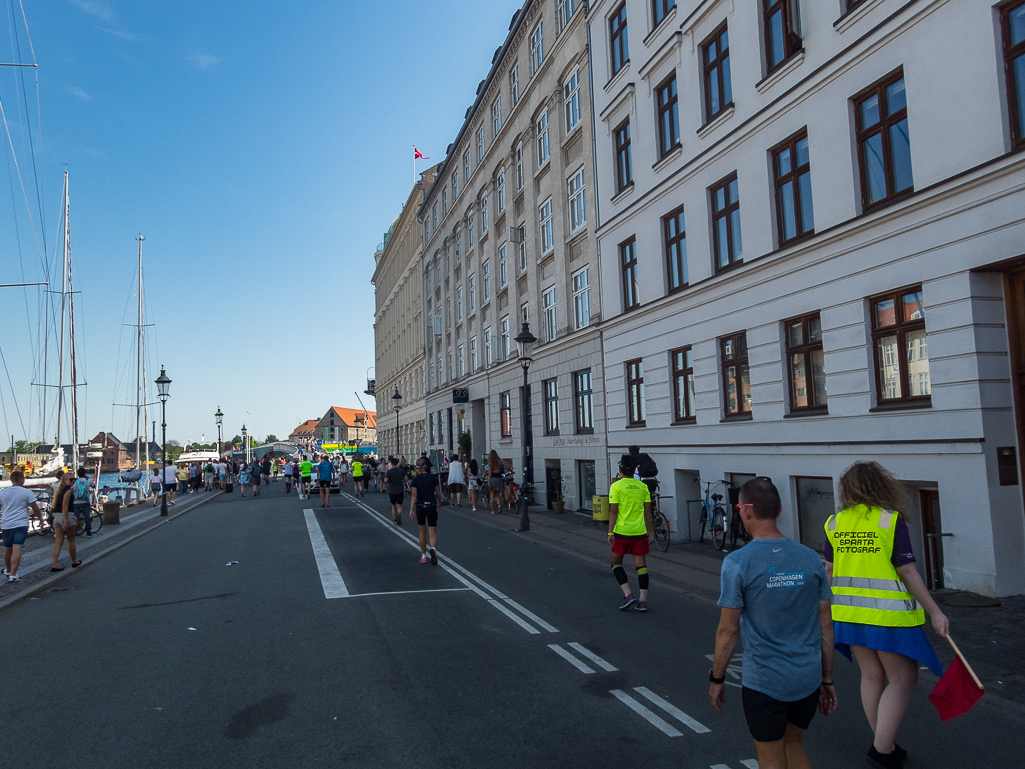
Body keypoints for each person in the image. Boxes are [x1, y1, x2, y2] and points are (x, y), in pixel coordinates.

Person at [824, 462, 949, 769]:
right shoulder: (889, 521)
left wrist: (825, 614)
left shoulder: (834, 523)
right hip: (887, 617)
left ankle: (886, 743)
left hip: (849, 614)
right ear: (882, 486)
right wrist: (935, 611)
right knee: (903, 678)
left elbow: (828, 570)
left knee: (871, 676)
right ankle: (882, 750)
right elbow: (907, 571)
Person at [710, 477, 836, 769]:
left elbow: (728, 631)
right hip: (807, 677)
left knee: (769, 755)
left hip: (765, 682)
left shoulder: (738, 563)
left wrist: (717, 678)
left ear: (745, 511)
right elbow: (826, 627)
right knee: (794, 743)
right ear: (779, 510)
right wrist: (827, 679)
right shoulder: (810, 558)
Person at [607, 453, 653, 611]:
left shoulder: (616, 487)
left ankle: (628, 595)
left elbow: (613, 511)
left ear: (620, 470)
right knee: (641, 566)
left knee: (615, 563)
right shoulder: (643, 487)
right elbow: (648, 512)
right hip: (639, 532)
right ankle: (643, 601)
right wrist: (651, 531)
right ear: (634, 470)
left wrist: (610, 533)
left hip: (622, 532)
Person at [0, 470, 41, 583]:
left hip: (6, 524)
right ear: (21, 479)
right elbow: (35, 508)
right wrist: (41, 519)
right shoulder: (27, 492)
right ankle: (13, 574)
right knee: (17, 547)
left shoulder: (3, 492)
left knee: (7, 549)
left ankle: (8, 570)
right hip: (21, 524)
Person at [408, 458, 442, 564]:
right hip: (431, 505)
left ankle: (423, 556)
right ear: (426, 467)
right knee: (432, 531)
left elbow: (414, 496)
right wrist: (439, 502)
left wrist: (411, 509)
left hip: (420, 506)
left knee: (422, 531)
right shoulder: (432, 477)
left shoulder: (415, 480)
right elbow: (438, 492)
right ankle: (433, 549)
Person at [51, 472, 82, 571]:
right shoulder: (68, 491)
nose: (73, 481)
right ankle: (74, 561)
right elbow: (65, 507)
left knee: (58, 542)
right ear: (64, 481)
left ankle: (54, 564)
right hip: (66, 516)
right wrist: (66, 521)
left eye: (74, 479)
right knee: (71, 540)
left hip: (57, 517)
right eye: (71, 479)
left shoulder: (59, 491)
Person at [71, 466, 94, 537]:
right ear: (84, 473)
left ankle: (73, 531)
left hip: (76, 502)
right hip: (85, 501)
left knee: (75, 517)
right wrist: (89, 479)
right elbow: (94, 486)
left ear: (78, 474)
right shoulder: (88, 481)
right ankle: (88, 532)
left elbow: (71, 490)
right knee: (87, 517)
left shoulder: (75, 481)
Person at [385, 456, 406, 525]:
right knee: (399, 505)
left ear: (391, 463)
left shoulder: (389, 472)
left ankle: (395, 520)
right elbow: (406, 479)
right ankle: (399, 514)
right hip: (400, 490)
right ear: (397, 463)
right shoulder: (401, 471)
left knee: (393, 506)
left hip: (392, 491)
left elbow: (386, 480)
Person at [486, 450, 503, 515]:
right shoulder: (499, 462)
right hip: (499, 479)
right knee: (497, 495)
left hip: (493, 479)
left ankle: (493, 510)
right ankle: (499, 505)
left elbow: (490, 473)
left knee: (492, 495)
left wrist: (489, 481)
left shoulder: (490, 463)